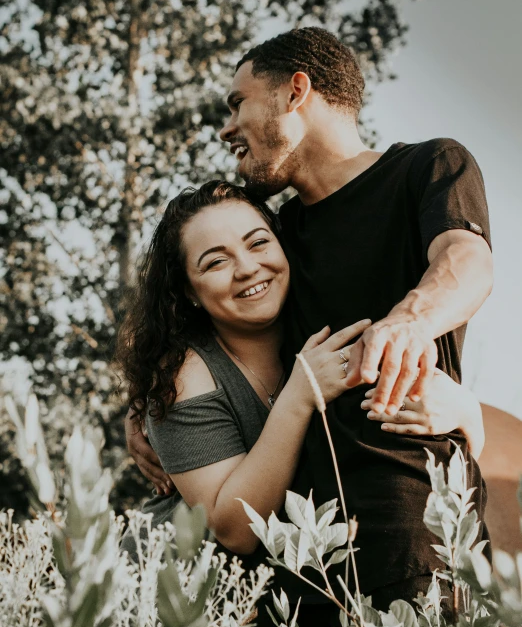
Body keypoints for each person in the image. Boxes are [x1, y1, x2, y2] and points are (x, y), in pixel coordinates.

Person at [126, 27, 493, 613]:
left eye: (237, 103)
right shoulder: (281, 234)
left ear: (295, 92)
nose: (226, 128)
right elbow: (209, 315)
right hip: (305, 555)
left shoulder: (428, 166)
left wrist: (411, 325)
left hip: (415, 525)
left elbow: (465, 261)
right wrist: (147, 408)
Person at [118, 181, 482, 567]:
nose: (247, 268)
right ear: (188, 291)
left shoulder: (317, 320)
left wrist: (468, 415)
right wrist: (298, 396)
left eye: (258, 243)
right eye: (215, 262)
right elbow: (234, 530)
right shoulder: (183, 373)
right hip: (171, 597)